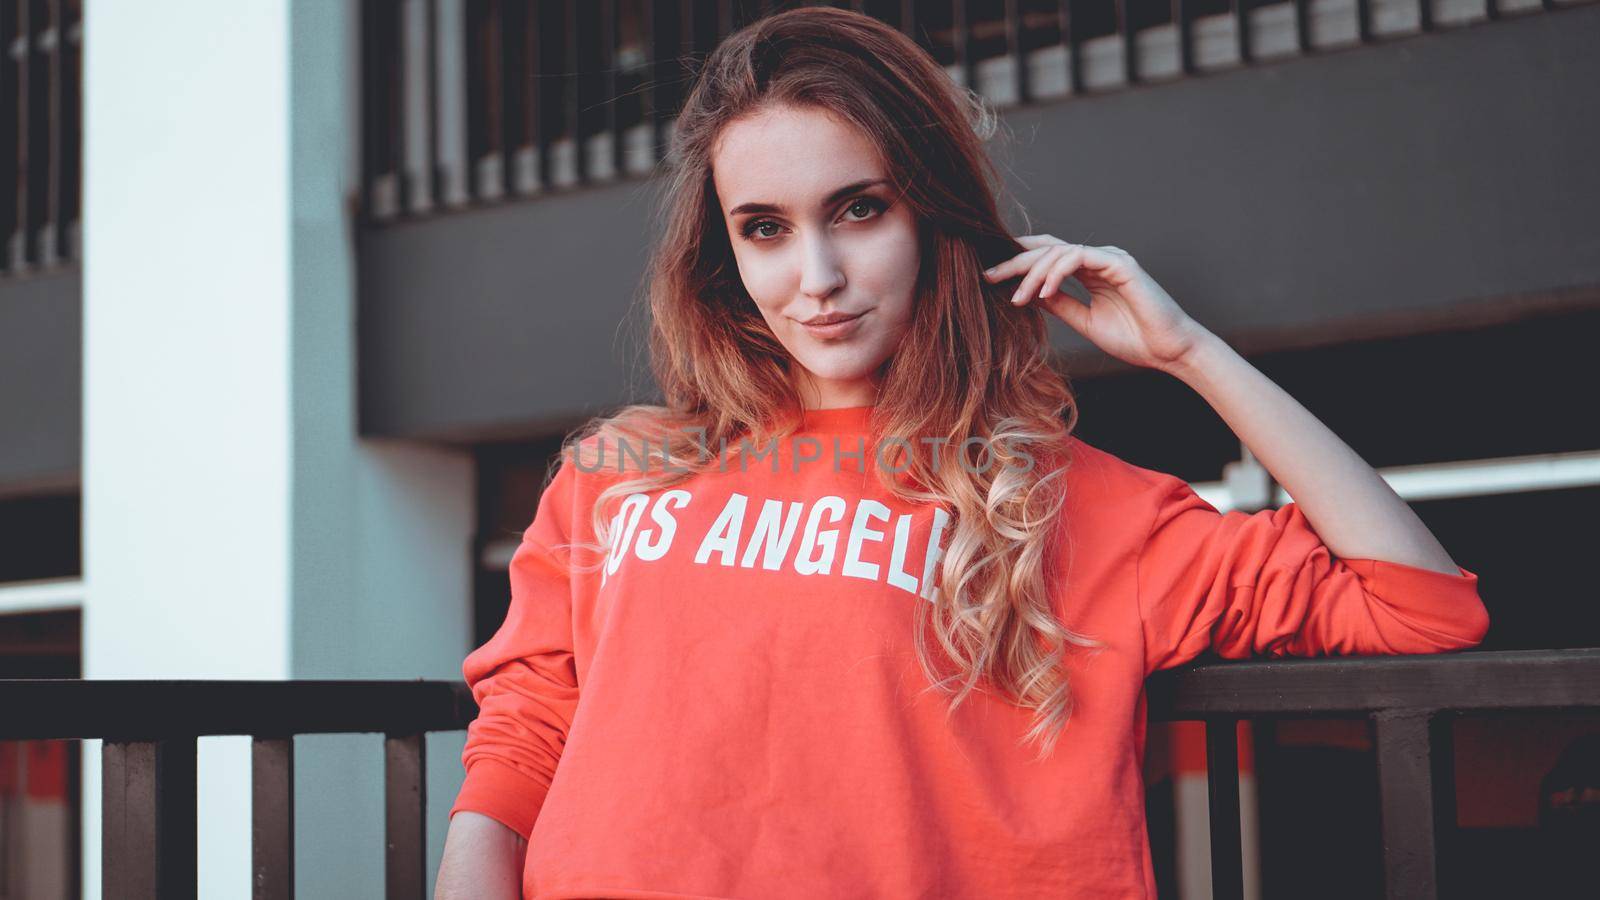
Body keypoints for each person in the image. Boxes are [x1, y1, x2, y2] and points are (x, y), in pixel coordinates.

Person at [433, 8, 1489, 899]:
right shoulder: (623, 468)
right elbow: (522, 742)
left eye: (858, 210)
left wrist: (1190, 352)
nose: (818, 276)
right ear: (724, 254)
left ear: (930, 216)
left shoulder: (1064, 501)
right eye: (764, 228)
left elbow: (1421, 605)